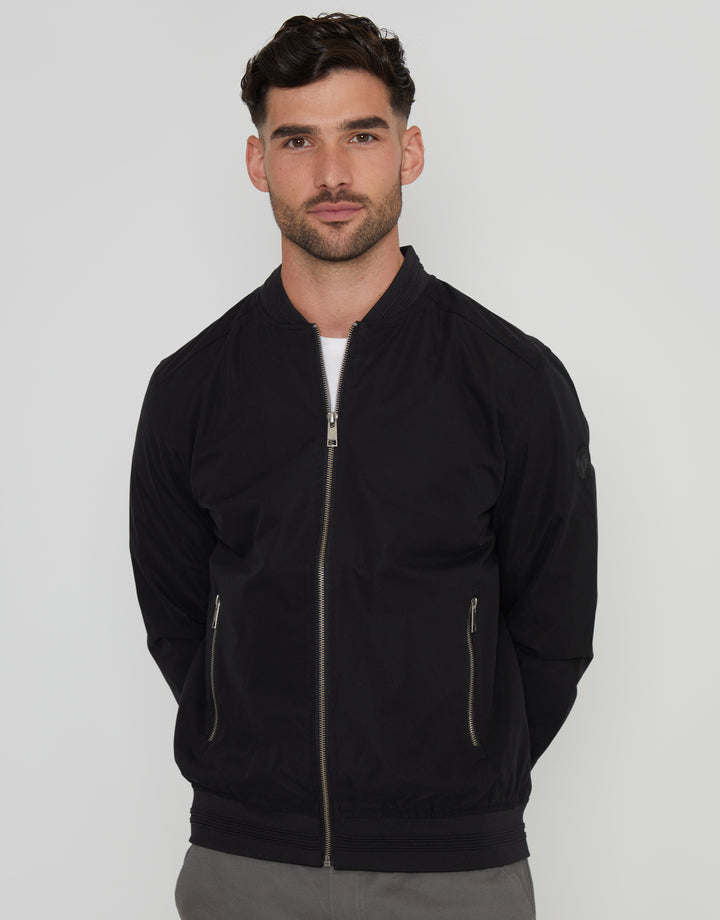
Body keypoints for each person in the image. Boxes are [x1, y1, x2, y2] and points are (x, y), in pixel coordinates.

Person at [130, 12, 597, 920]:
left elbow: (554, 633)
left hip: (455, 874)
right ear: (258, 162)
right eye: (297, 140)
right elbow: (179, 621)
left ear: (409, 152)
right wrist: (249, 756)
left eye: (363, 136)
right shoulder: (192, 387)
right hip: (243, 865)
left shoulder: (512, 381)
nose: (332, 174)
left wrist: (459, 776)